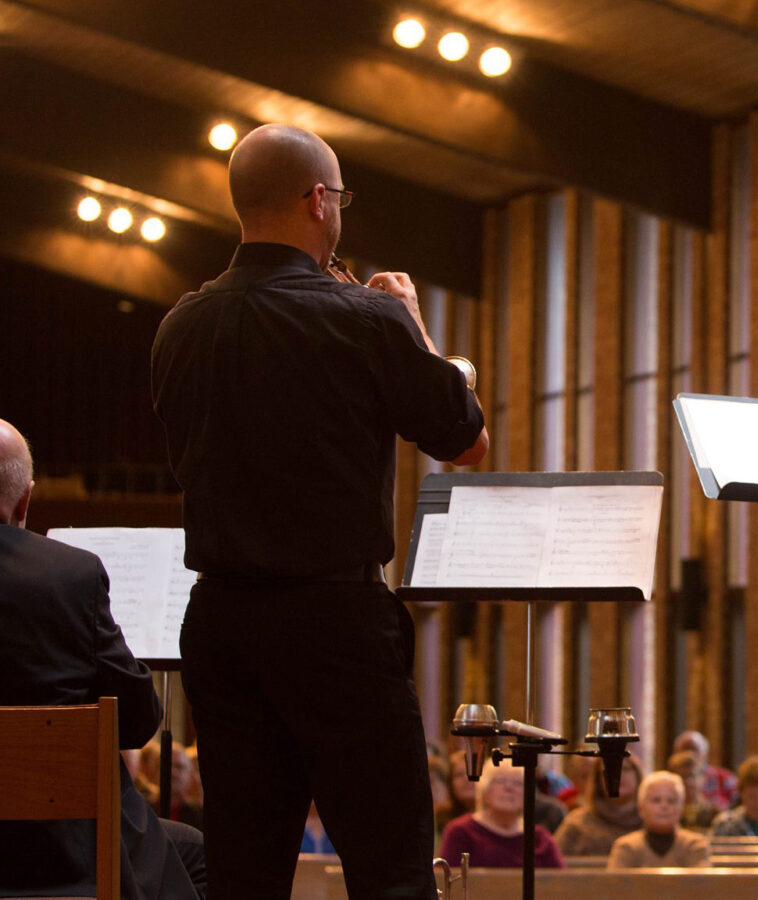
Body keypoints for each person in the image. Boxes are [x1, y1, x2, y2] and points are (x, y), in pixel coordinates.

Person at [149, 123, 488, 899]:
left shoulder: (180, 326)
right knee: (390, 867)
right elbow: (464, 437)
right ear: (318, 201)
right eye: (339, 195)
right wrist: (412, 325)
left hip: (223, 625)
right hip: (335, 624)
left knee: (243, 868)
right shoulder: (364, 320)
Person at [0, 418, 206, 899]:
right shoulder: (70, 574)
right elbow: (136, 722)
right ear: (27, 500)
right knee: (193, 852)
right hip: (58, 855)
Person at [437, 764, 564, 870]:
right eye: (501, 781)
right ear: (484, 791)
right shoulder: (460, 832)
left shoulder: (539, 838)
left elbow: (563, 885)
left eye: (517, 783)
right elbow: (447, 884)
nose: (509, 788)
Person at [605, 771, 713, 869]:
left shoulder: (695, 845)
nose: (664, 806)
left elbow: (702, 888)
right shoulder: (626, 847)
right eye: (656, 800)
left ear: (681, 808)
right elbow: (614, 887)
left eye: (671, 801)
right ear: (641, 807)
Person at [553, 756, 644, 857]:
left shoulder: (652, 821)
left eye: (625, 769)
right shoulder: (577, 823)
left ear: (637, 774)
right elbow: (556, 865)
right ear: (598, 779)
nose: (618, 774)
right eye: (609, 770)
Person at [672, 730, 738, 810]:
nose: (689, 755)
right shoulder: (668, 780)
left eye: (694, 749)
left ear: (705, 754)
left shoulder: (724, 778)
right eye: (684, 750)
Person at [667, 750, 718, 830]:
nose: (688, 782)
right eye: (683, 776)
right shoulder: (666, 813)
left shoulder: (714, 814)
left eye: (692, 776)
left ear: (703, 778)